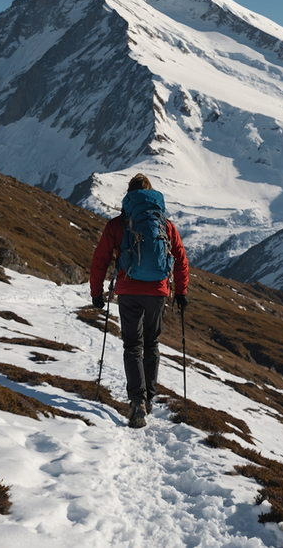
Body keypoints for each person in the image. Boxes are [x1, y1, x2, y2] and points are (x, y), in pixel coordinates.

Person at [90, 173, 189, 428]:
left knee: (133, 345)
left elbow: (100, 259)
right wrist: (181, 292)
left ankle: (137, 404)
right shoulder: (165, 225)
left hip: (128, 291)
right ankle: (149, 399)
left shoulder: (117, 225)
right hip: (158, 291)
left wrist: (96, 292)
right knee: (151, 343)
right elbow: (180, 258)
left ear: (129, 195)